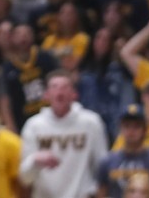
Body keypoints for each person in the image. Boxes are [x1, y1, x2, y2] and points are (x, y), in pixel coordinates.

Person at [18, 70, 109, 198]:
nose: (59, 92)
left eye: (65, 87)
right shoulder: (34, 126)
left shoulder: (91, 122)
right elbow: (25, 178)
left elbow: (102, 167)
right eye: (54, 87)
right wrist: (35, 160)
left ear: (74, 94)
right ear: (46, 95)